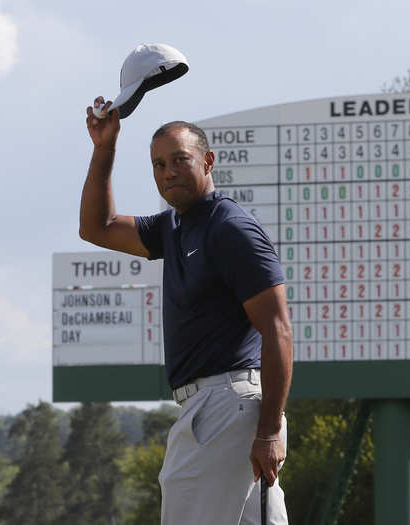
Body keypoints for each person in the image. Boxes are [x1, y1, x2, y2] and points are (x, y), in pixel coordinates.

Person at [81, 97, 293, 525]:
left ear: (208, 160)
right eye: (159, 164)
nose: (168, 172)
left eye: (179, 159)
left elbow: (278, 332)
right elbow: (96, 227)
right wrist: (105, 148)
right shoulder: (174, 226)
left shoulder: (229, 227)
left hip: (224, 406)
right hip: (222, 409)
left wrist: (269, 430)